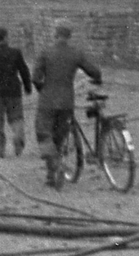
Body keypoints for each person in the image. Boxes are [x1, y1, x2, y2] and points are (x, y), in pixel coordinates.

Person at [32, 24, 102, 189]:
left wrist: (42, 89)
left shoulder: (45, 52)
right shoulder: (76, 53)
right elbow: (94, 71)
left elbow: (35, 77)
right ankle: (51, 176)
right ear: (69, 36)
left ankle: (55, 165)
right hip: (66, 102)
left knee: (43, 134)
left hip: (47, 101)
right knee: (59, 138)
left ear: (55, 35)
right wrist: (97, 79)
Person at [0, 26, 33, 158]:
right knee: (16, 118)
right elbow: (24, 71)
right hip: (14, 91)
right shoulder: (15, 53)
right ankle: (18, 137)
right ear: (5, 37)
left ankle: (0, 150)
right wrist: (27, 87)